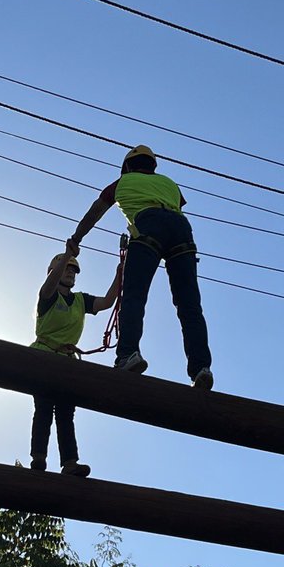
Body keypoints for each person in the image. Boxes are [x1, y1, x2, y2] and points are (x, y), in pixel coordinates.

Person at [67, 145, 213, 388]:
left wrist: (76, 239)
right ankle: (201, 368)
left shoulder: (122, 183)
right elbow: (177, 207)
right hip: (181, 229)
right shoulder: (170, 184)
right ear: (152, 165)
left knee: (134, 297)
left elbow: (95, 212)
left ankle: (128, 354)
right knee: (189, 306)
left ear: (127, 166)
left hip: (148, 224)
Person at [29, 250, 121, 476]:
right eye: (66, 269)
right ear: (54, 272)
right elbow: (48, 286)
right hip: (44, 356)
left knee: (65, 413)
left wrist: (120, 274)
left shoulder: (80, 300)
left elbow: (107, 302)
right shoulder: (48, 296)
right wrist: (68, 254)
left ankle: (69, 462)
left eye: (74, 270)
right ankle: (38, 457)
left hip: (67, 362)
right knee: (43, 409)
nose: (71, 273)